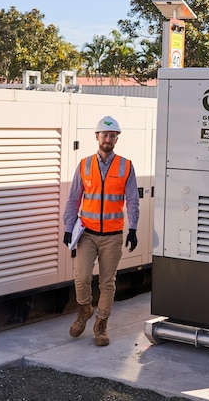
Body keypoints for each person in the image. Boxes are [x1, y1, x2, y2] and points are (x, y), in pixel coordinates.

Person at [63, 115, 139, 346]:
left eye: (112, 135)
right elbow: (74, 198)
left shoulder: (126, 165)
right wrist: (68, 227)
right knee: (82, 277)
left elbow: (133, 200)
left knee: (107, 283)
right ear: (97, 137)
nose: (108, 139)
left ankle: (101, 325)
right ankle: (84, 309)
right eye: (104, 135)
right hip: (87, 233)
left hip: (113, 236)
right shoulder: (84, 164)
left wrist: (133, 227)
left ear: (116, 139)